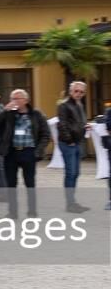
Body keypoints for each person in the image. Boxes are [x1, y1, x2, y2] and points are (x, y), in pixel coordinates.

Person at [0, 88, 49, 219]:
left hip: (28, 152)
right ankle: (12, 212)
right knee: (11, 184)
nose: (14, 101)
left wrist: (38, 150)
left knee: (30, 184)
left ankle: (32, 212)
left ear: (26, 100)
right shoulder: (8, 114)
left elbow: (45, 134)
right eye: (12, 99)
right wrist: (5, 110)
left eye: (17, 98)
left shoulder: (36, 114)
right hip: (11, 152)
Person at [56, 81, 91, 213]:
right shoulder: (64, 105)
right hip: (68, 143)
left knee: (76, 173)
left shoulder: (80, 105)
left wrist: (85, 126)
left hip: (77, 142)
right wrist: (69, 140)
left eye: (81, 92)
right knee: (70, 174)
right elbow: (62, 124)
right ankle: (70, 204)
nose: (79, 94)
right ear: (71, 91)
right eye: (76, 91)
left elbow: (78, 122)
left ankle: (73, 202)